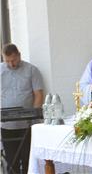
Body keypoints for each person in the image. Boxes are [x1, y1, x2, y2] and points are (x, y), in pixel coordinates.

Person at [1, 43, 44, 174]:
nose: (11, 64)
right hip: (6, 126)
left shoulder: (32, 70)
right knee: (11, 161)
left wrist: (33, 115)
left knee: (28, 160)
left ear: (19, 55)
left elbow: (38, 95)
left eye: (13, 60)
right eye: (7, 61)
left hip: (27, 124)